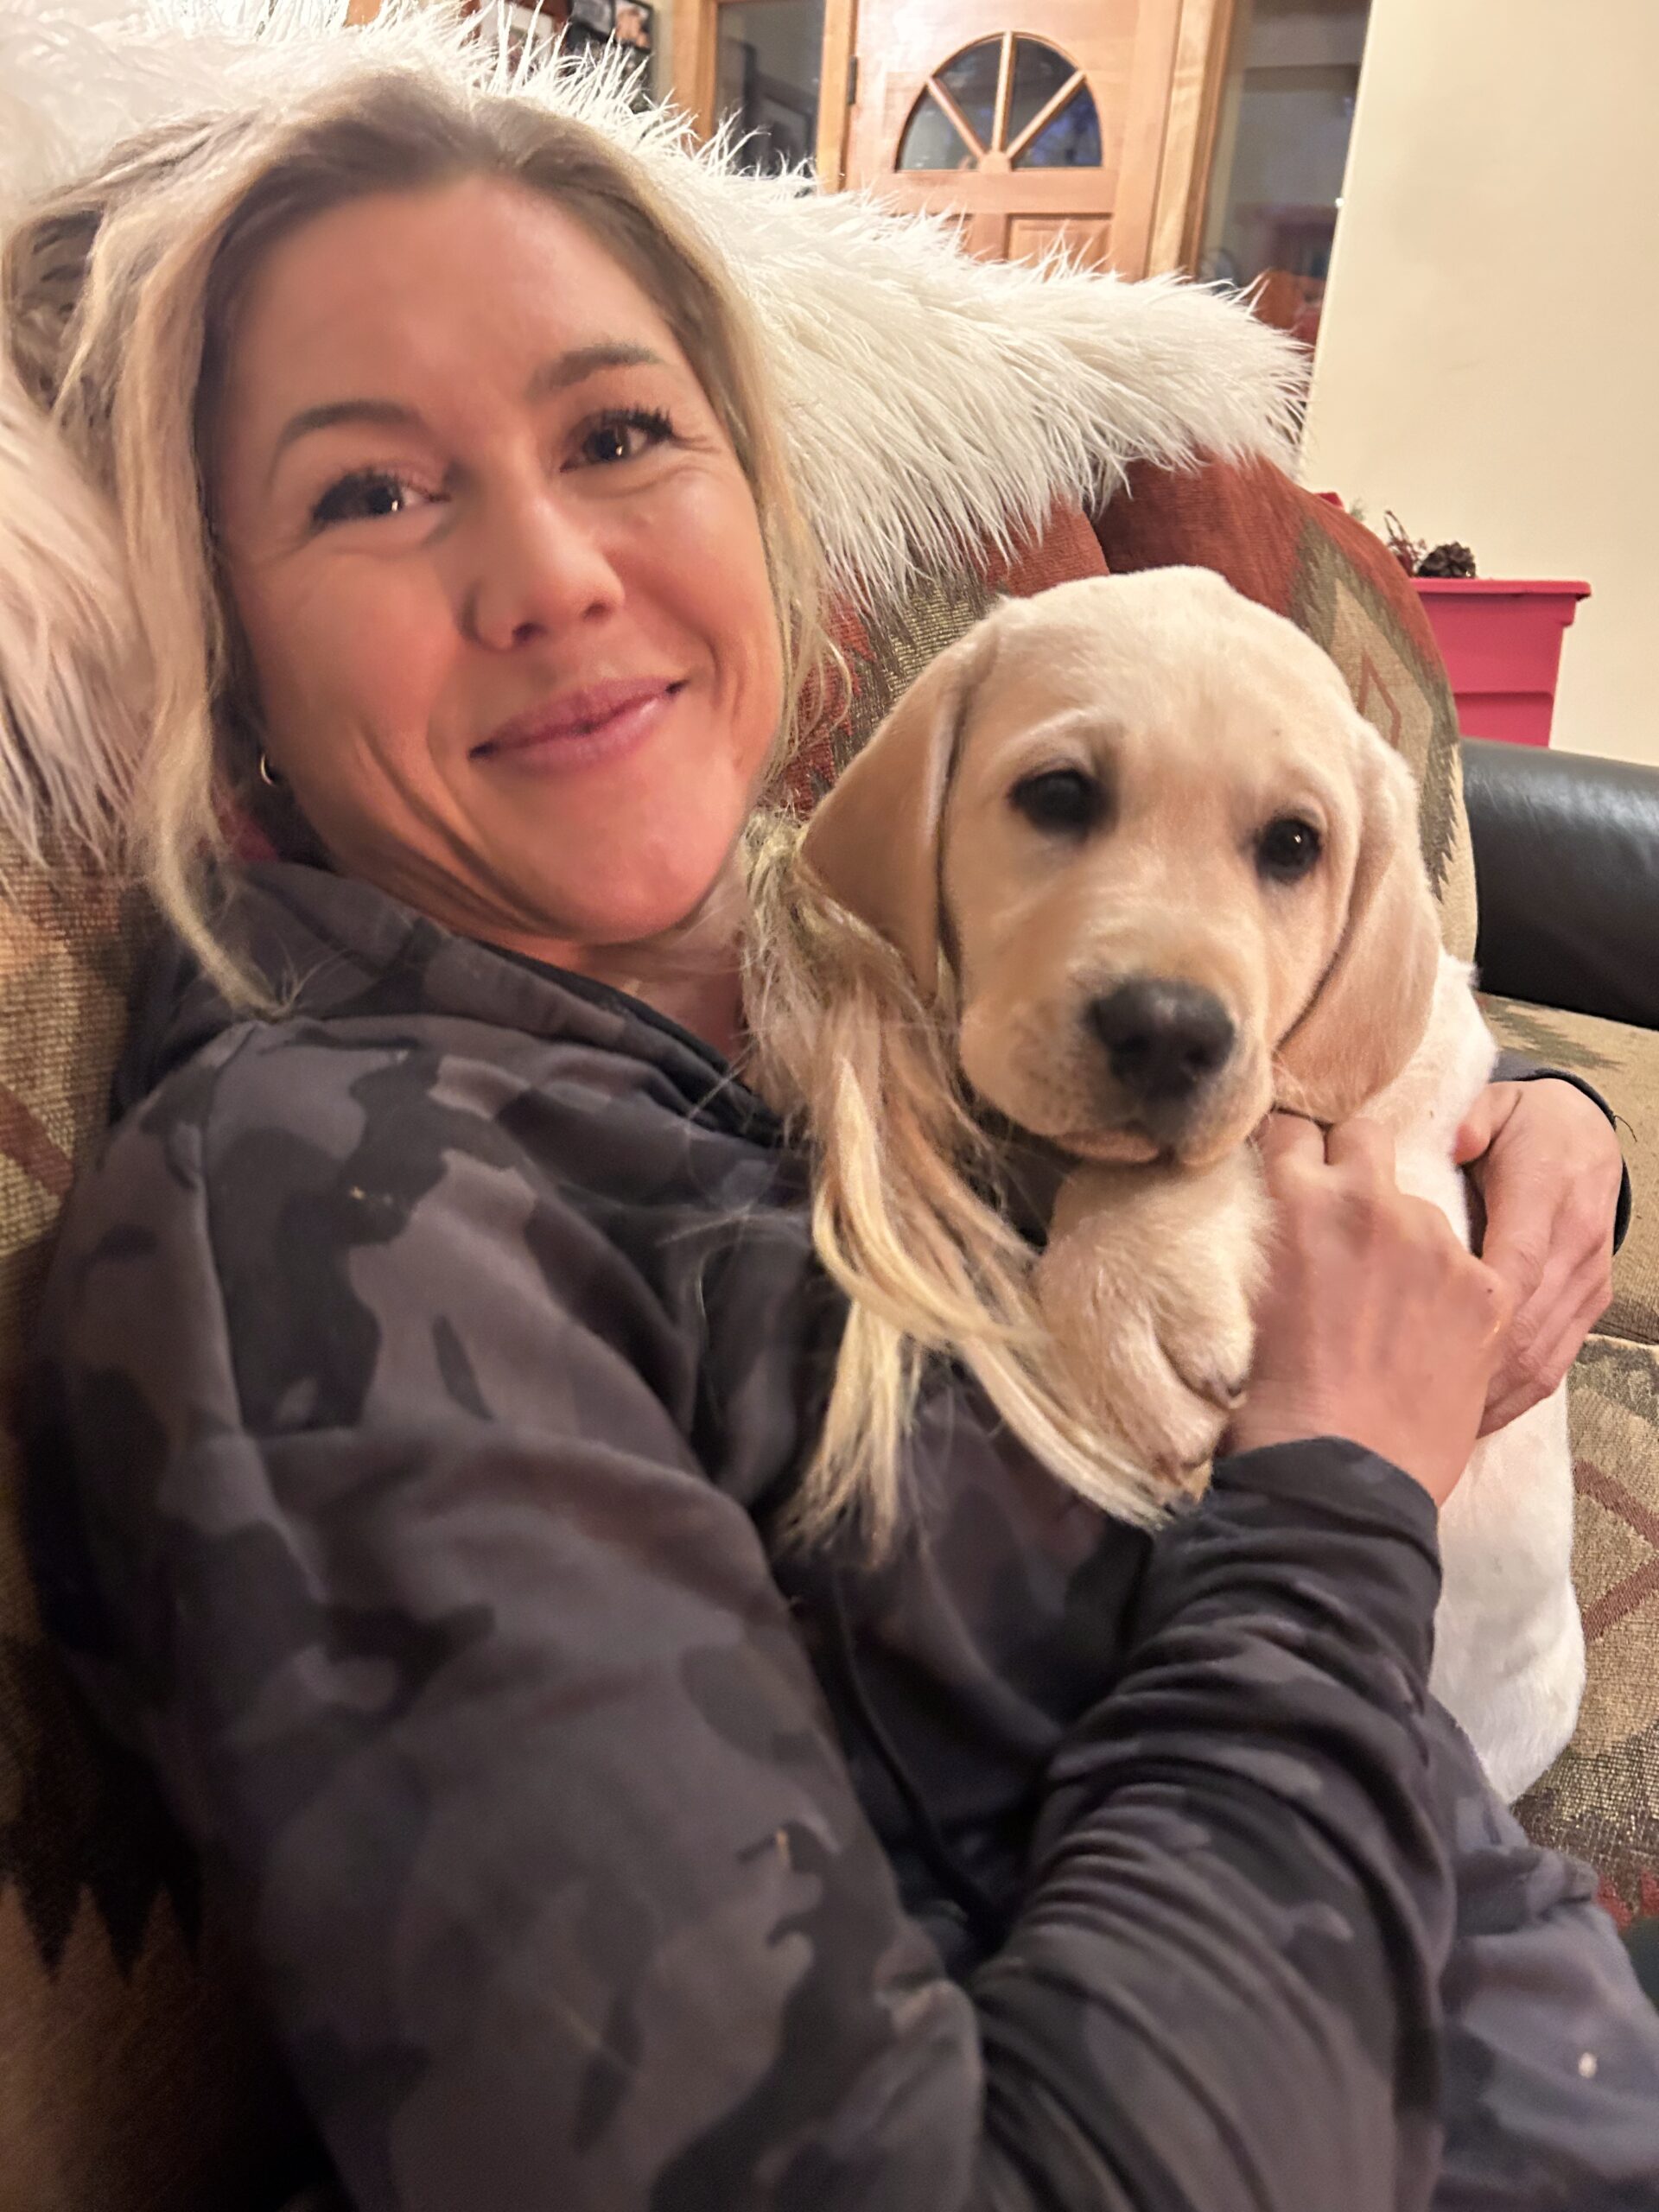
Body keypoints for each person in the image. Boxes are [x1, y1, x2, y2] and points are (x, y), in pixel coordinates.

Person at [10, 67, 1659, 2212]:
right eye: (371, 491)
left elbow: (1254, 985)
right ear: (223, 637)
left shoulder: (821, 948)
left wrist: (1524, 1119)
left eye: (618, 435)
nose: (552, 573)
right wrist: (1340, 1486)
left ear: (756, 496)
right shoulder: (329, 1216)